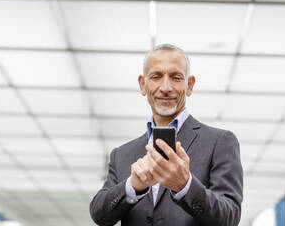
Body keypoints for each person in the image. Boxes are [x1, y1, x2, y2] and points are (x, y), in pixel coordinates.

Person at [89, 44, 243, 226]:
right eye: (156, 77)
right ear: (142, 84)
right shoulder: (122, 154)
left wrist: (185, 186)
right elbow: (99, 214)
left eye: (176, 77)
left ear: (190, 85)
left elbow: (229, 216)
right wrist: (132, 187)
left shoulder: (220, 142)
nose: (166, 87)